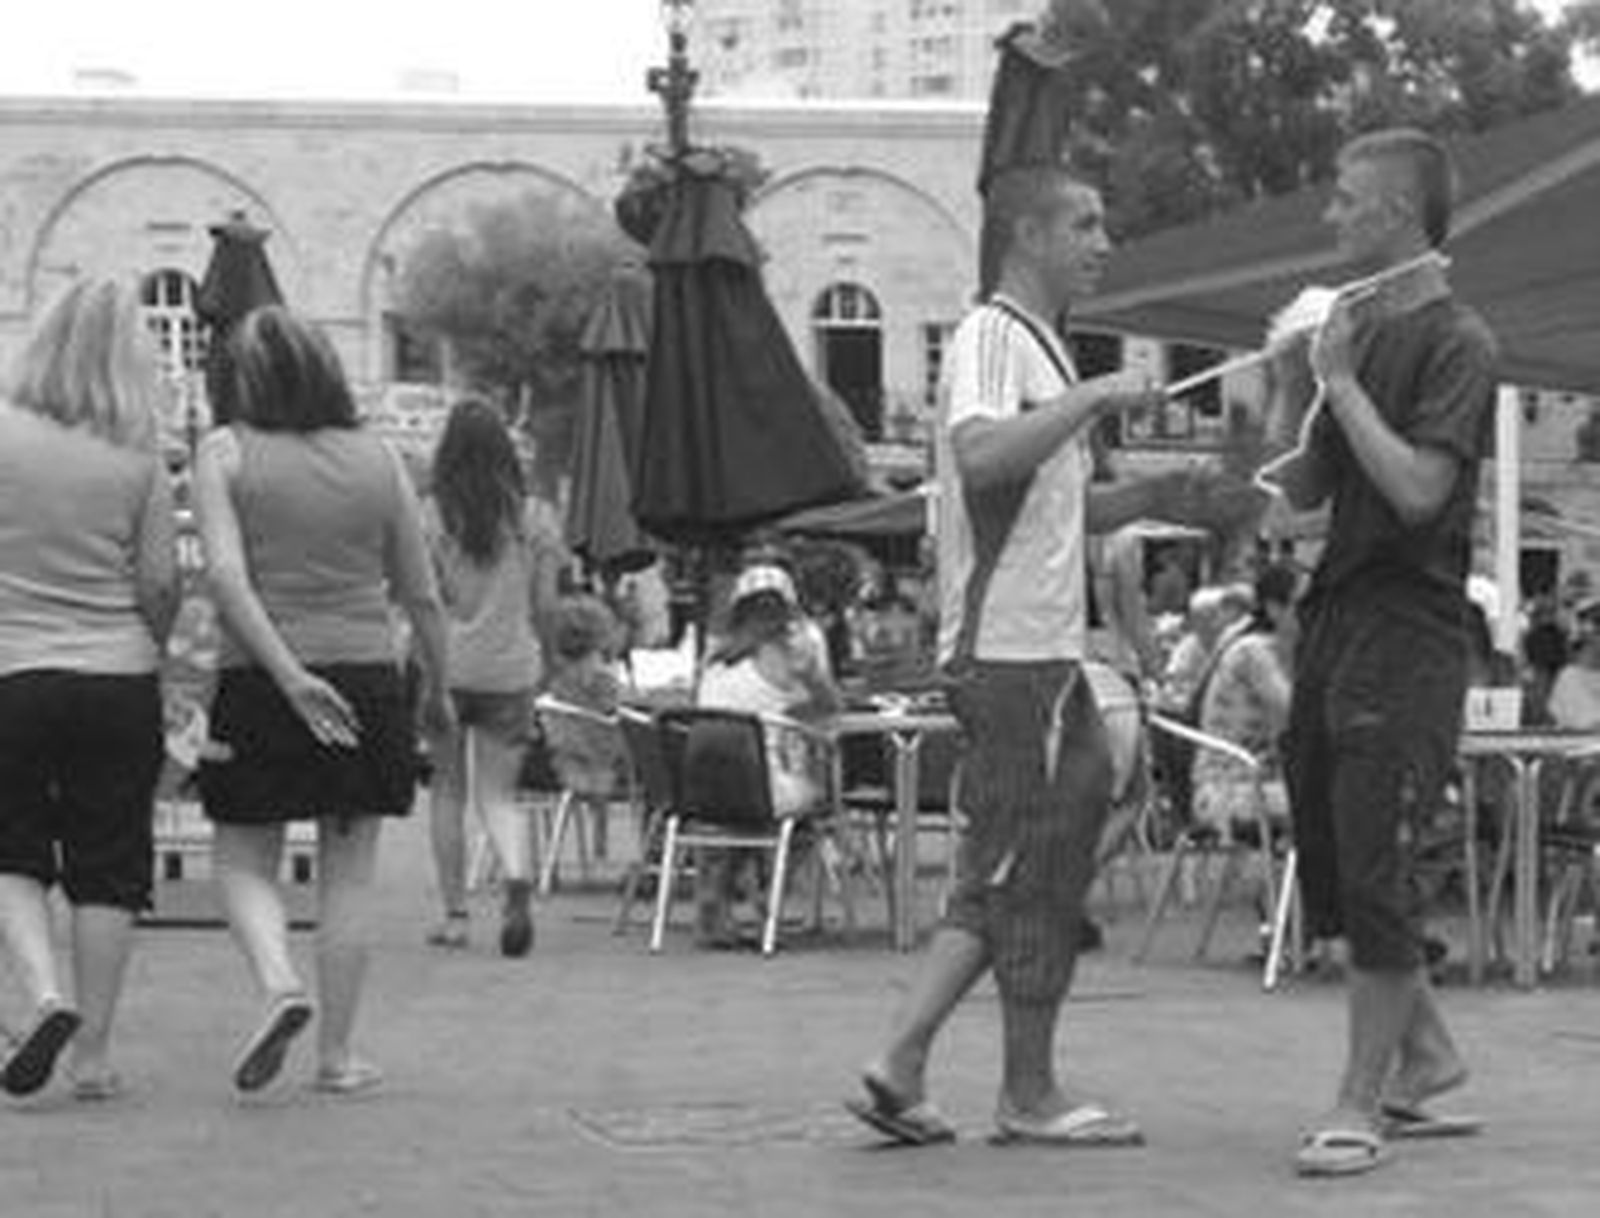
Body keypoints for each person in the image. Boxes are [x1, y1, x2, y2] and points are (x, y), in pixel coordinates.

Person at [845, 162, 1230, 1147]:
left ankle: (911, 1061)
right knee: (1034, 860)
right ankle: (1018, 1088)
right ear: (1027, 235)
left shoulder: (1040, 351)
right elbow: (980, 455)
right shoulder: (992, 335)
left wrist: (1151, 497)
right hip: (1013, 654)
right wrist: (1096, 397)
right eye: (1085, 224)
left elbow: (1043, 504)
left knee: (1023, 857)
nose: (1103, 243)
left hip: (1038, 653)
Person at [1264, 128, 1498, 1176]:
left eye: (1347, 200)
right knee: (1325, 843)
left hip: (1406, 629)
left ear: (1399, 213)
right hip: (1333, 618)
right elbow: (1297, 498)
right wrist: (1292, 381)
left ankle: (1362, 1100)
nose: (1330, 217)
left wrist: (1345, 386)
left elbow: (1415, 494)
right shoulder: (1347, 333)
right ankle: (1428, 1057)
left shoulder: (1458, 341)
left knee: (1374, 862)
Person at [193, 306, 451, 1096]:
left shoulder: (225, 452)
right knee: (349, 874)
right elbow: (422, 594)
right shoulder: (381, 460)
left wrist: (286, 672)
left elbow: (227, 577)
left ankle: (278, 984)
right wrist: (436, 689)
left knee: (241, 856)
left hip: (262, 681)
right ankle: (338, 1057)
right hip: (368, 679)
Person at [0, 278, 179, 1100]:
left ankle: (42, 996)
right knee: (110, 864)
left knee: (12, 847)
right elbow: (160, 580)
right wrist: (159, 643)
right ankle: (96, 1057)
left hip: (14, 670)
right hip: (118, 675)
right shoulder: (140, 451)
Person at [422, 397, 561, 957]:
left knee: (447, 793)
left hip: (446, 668)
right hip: (512, 668)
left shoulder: (430, 516)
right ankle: (517, 876)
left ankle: (456, 917)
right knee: (499, 794)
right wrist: (545, 659)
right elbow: (547, 605)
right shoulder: (537, 519)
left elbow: (423, 599)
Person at [694, 564, 840, 946]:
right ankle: (769, 892)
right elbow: (830, 706)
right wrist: (809, 677)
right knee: (812, 805)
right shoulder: (787, 655)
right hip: (763, 787)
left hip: (701, 791)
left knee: (741, 811)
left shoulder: (712, 659)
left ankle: (719, 897)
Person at [1190, 563, 1299, 838]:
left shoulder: (1291, 654)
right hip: (1229, 789)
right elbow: (1297, 716)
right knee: (1345, 800)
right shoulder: (1254, 652)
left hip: (1267, 783)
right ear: (1275, 608)